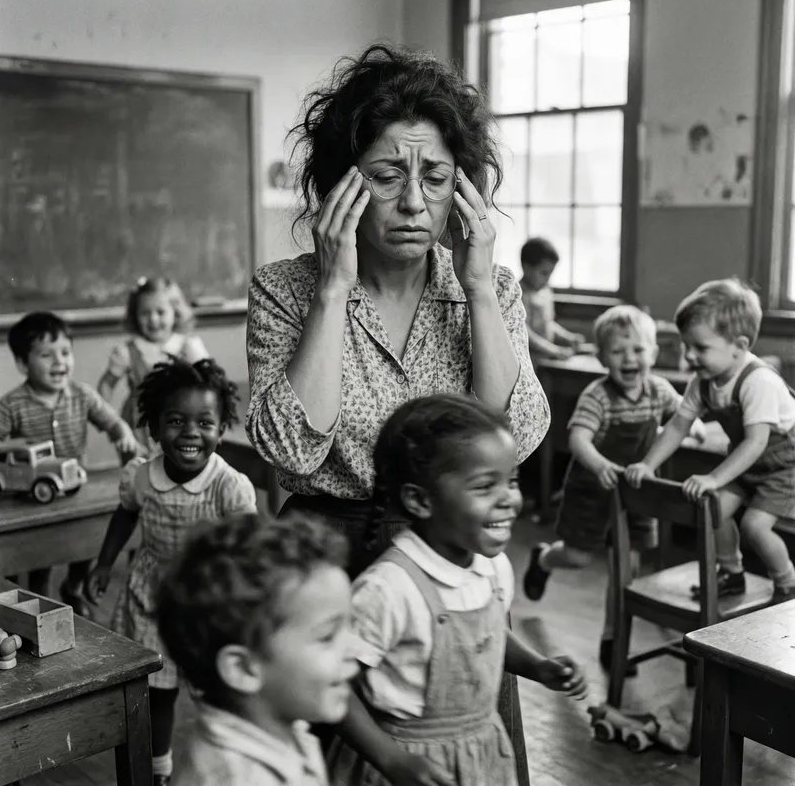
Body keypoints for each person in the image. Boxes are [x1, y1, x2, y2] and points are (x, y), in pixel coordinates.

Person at [245, 43, 550, 782]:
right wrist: (333, 290)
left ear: (462, 190)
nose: (415, 202)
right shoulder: (285, 290)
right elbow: (290, 452)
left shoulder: (489, 288)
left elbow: (512, 437)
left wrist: (479, 289)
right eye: (386, 176)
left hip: (451, 564)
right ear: (340, 187)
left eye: (436, 178)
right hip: (328, 568)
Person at [326, 394, 587, 785]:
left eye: (512, 481)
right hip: (407, 764)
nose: (510, 499)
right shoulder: (388, 589)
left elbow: (487, 635)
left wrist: (537, 666)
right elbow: (334, 682)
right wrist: (392, 760)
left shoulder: (493, 569)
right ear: (420, 500)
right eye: (485, 486)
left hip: (482, 754)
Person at [86, 358, 258, 786]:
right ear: (155, 427)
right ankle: (159, 771)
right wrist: (104, 564)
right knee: (158, 691)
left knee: (214, 693)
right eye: (176, 421)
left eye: (205, 422)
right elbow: (125, 515)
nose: (190, 432)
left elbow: (250, 543)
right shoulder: (142, 476)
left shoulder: (229, 485)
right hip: (153, 598)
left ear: (222, 428)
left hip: (208, 603)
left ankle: (227, 769)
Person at [522, 305, 706, 672]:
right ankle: (544, 559)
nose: (629, 359)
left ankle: (613, 639)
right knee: (577, 557)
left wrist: (695, 428)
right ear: (603, 357)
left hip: (636, 492)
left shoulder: (659, 391)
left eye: (638, 350)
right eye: (618, 351)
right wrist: (601, 465)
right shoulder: (598, 395)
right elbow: (578, 439)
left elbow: (680, 419)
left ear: (653, 353)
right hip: (591, 488)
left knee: (626, 570)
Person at [156, 513, 358, 786]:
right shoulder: (240, 779)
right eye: (327, 636)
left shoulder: (284, 726)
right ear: (243, 669)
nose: (355, 648)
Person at [626, 278, 795, 604]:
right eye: (686, 346)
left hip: (783, 465)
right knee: (715, 509)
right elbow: (678, 426)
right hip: (746, 461)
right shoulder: (703, 382)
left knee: (755, 527)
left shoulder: (758, 381)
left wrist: (714, 477)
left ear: (739, 346)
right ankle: (732, 572)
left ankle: (787, 583)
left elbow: (756, 442)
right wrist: (647, 464)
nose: (690, 356)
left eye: (701, 348)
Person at [0, 311, 141, 614]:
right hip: (31, 495)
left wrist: (123, 433)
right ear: (22, 363)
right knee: (41, 554)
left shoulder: (82, 395)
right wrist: (13, 446)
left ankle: (73, 587)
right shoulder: (12, 404)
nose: (59, 362)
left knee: (83, 544)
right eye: (46, 355)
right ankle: (39, 601)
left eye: (65, 352)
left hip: (74, 484)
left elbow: (112, 421)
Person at [97, 276, 209, 463]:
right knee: (140, 471)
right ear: (135, 316)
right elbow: (106, 385)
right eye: (145, 313)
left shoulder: (187, 347)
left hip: (180, 422)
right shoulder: (128, 351)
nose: (153, 319)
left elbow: (210, 383)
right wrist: (110, 421)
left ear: (175, 312)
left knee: (178, 468)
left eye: (160, 312)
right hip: (138, 427)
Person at [519, 237, 587, 360]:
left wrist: (568, 337)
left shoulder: (545, 292)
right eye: (544, 273)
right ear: (526, 268)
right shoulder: (517, 295)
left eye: (550, 273)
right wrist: (554, 350)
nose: (547, 279)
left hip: (545, 356)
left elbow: (548, 323)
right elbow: (525, 332)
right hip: (527, 358)